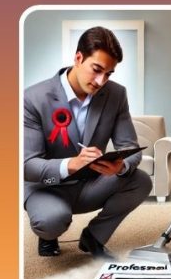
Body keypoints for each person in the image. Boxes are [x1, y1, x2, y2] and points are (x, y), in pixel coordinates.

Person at [23, 27, 151, 258]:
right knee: (51, 221)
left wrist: (120, 166)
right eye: (97, 70)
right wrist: (70, 164)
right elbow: (26, 165)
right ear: (78, 58)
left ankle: (93, 237)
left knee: (140, 181)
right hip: (47, 187)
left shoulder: (116, 95)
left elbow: (130, 148)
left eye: (108, 74)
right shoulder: (32, 98)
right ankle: (49, 235)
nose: (101, 81)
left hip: (90, 185)